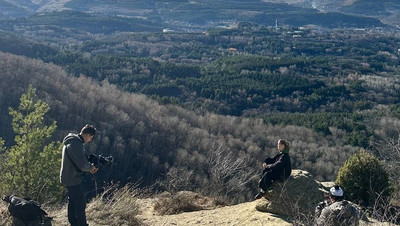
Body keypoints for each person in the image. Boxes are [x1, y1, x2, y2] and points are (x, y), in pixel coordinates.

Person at [60, 124, 98, 226]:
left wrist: (89, 166)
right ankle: (81, 224)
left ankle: (74, 222)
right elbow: (82, 165)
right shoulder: (76, 144)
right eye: (90, 138)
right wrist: (91, 168)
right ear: (88, 135)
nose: (89, 140)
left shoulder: (72, 140)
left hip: (68, 176)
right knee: (80, 203)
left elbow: (78, 161)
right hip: (72, 179)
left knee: (73, 200)